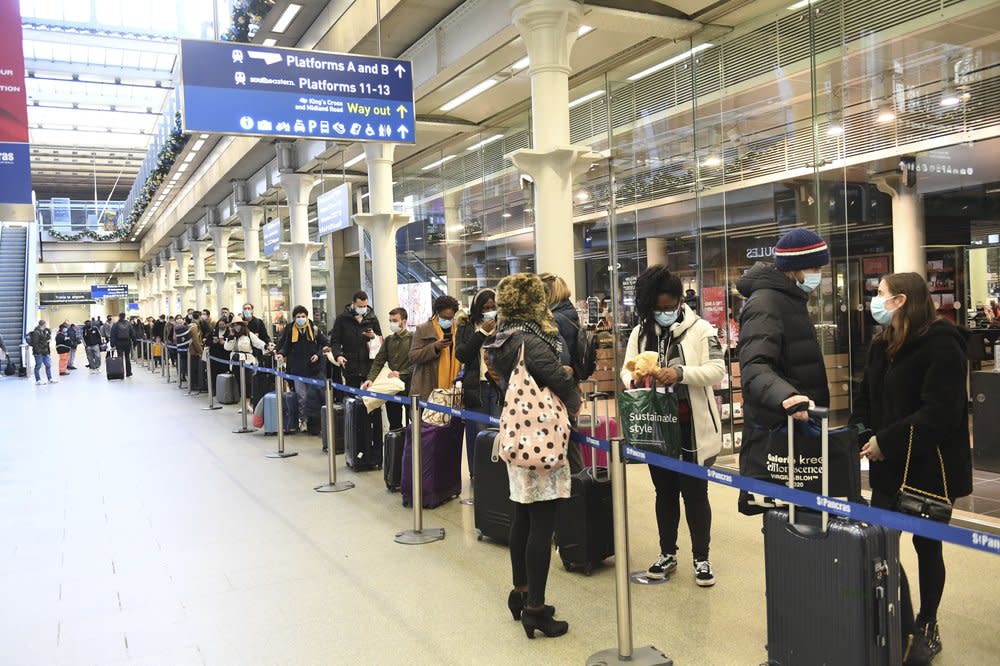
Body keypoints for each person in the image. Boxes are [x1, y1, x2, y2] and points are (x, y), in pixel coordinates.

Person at [850, 273, 972, 665]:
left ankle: (927, 622)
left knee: (927, 546)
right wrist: (865, 433)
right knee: (881, 542)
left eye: (881, 294)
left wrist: (888, 441)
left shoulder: (942, 344)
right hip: (888, 466)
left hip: (928, 467)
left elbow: (942, 411)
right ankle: (893, 617)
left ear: (901, 300)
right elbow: (865, 394)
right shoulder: (881, 344)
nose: (875, 300)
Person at [486, 273, 580, 639]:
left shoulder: (502, 337)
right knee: (543, 523)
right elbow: (558, 378)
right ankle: (537, 610)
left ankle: (521, 592)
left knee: (522, 515)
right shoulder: (531, 339)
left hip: (517, 438)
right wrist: (572, 392)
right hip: (543, 441)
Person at [620, 266, 724, 586]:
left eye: (669, 307)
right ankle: (668, 552)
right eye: (658, 308)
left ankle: (701, 557)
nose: (664, 313)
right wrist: (636, 375)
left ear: (680, 301)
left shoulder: (702, 330)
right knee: (663, 492)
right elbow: (627, 370)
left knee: (695, 494)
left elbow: (717, 371)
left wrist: (681, 374)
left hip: (691, 426)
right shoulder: (641, 332)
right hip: (657, 426)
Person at [736, 228, 830, 514]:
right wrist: (786, 395)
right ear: (796, 269)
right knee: (784, 523)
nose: (818, 274)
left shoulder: (790, 299)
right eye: (814, 267)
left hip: (800, 426)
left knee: (804, 521)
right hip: (780, 429)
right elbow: (755, 366)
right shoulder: (766, 303)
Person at [539, 273, 584, 473]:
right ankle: (578, 489)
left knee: (566, 445)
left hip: (562, 388)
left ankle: (576, 492)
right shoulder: (570, 313)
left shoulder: (555, 319)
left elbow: (561, 360)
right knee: (570, 439)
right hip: (571, 385)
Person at [455, 289, 500, 477]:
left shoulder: (504, 324)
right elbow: (462, 354)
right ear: (477, 308)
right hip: (476, 386)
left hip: (498, 386)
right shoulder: (466, 326)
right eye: (485, 307)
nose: (489, 310)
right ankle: (479, 474)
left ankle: (498, 473)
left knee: (498, 432)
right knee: (479, 433)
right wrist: (481, 333)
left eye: (492, 307)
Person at [276, 305, 332, 421]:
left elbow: (325, 343)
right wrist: (281, 353)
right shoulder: (292, 330)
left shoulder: (314, 329)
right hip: (297, 369)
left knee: (314, 396)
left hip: (313, 369)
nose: (301, 318)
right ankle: (303, 420)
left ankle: (315, 421)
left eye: (303, 316)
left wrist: (318, 354)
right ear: (294, 318)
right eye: (298, 317)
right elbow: (286, 345)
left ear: (307, 317)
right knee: (301, 396)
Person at [362, 307, 413, 431]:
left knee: (414, 421)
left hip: (410, 387)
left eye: (395, 320)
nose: (392, 323)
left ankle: (412, 449)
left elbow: (418, 364)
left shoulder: (413, 339)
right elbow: (378, 361)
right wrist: (370, 379)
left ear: (404, 321)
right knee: (394, 423)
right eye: (390, 320)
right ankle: (397, 449)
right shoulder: (389, 340)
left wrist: (401, 373)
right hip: (392, 389)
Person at [409, 295, 462, 402]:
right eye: (444, 318)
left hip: (453, 387)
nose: (447, 321)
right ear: (437, 313)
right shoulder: (423, 329)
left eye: (450, 318)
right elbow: (413, 356)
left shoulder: (459, 330)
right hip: (428, 386)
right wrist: (435, 347)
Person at [330, 291, 382, 387]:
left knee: (369, 398)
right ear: (353, 303)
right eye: (360, 306)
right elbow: (335, 341)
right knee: (352, 396)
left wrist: (373, 336)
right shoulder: (342, 319)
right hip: (350, 363)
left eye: (365, 306)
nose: (362, 309)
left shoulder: (372, 318)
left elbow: (380, 339)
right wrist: (338, 356)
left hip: (369, 364)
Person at [225, 318, 266, 408]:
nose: (236, 327)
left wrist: (267, 347)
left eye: (238, 324)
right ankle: (243, 403)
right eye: (234, 325)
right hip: (236, 361)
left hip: (248, 361)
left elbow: (259, 343)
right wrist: (231, 336)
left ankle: (247, 403)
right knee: (239, 382)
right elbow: (227, 347)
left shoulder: (249, 334)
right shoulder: (232, 336)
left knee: (248, 382)